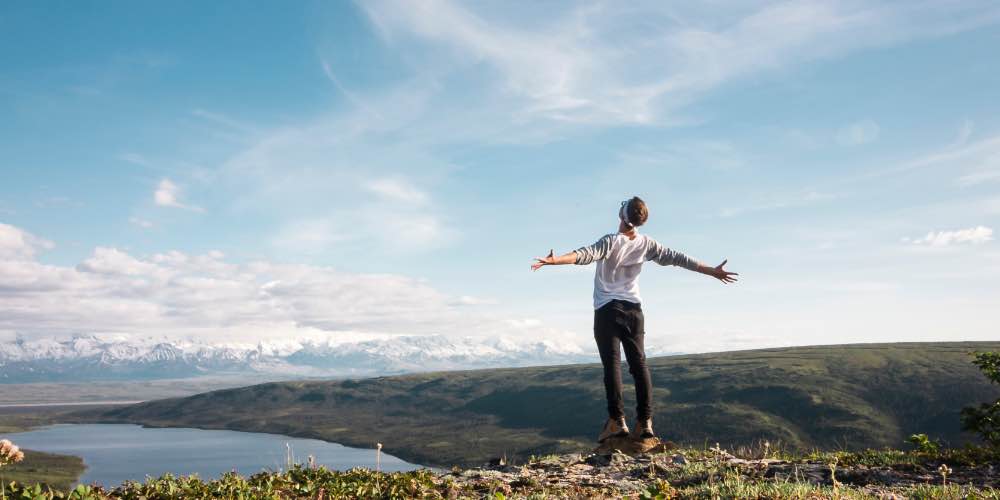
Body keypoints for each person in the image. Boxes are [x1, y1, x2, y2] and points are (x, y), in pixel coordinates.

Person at [531, 196, 738, 442]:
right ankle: (645, 423)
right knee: (639, 366)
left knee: (612, 366)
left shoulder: (610, 241)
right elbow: (680, 258)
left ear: (622, 215)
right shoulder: (647, 244)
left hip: (607, 310)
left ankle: (617, 422)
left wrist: (555, 261)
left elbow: (584, 255)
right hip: (634, 311)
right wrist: (711, 271)